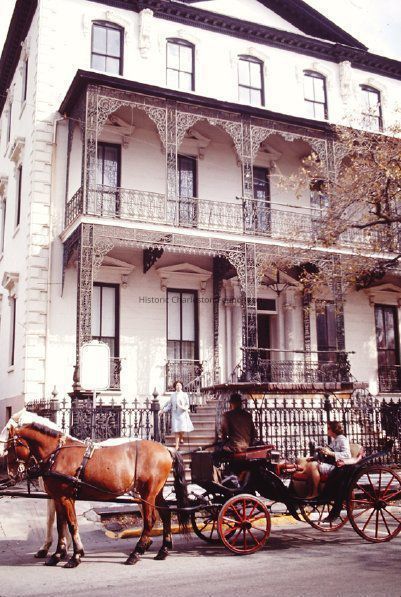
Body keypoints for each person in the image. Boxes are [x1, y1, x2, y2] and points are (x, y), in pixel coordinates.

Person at [303, 420, 351, 498]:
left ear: (334, 429)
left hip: (337, 467)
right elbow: (328, 454)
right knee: (309, 464)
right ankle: (310, 492)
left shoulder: (342, 439)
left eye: (328, 428)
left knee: (313, 465)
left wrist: (330, 453)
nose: (327, 430)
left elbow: (347, 455)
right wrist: (315, 457)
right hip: (331, 464)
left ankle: (316, 492)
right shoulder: (335, 440)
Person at [163, 380, 194, 450]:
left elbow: (187, 404)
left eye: (180, 385)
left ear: (182, 386)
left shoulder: (184, 395)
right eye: (177, 385)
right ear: (175, 387)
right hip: (175, 413)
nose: (178, 386)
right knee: (176, 429)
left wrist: (184, 408)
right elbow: (169, 405)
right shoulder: (173, 395)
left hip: (182, 413)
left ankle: (181, 436)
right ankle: (177, 445)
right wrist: (163, 410)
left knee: (182, 428)